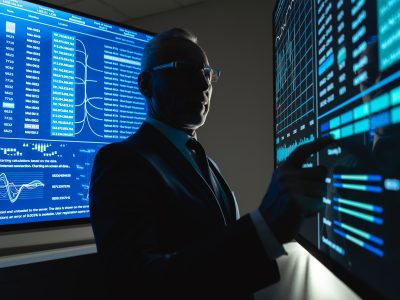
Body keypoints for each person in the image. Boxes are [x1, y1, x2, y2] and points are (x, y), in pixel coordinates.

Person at [89, 28, 332, 300]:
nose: (204, 85)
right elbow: (135, 284)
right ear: (146, 84)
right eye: (184, 70)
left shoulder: (208, 163)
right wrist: (263, 227)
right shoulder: (120, 160)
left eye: (207, 74)